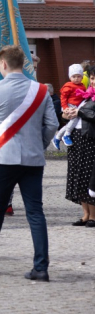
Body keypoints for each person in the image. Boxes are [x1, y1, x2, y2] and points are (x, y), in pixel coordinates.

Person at [0, 45, 58, 282]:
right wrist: (39, 144)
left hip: (3, 158)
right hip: (33, 159)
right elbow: (52, 125)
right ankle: (41, 267)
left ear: (3, 64)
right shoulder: (41, 90)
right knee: (35, 212)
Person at [63, 94, 95, 227]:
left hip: (90, 140)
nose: (93, 81)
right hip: (77, 139)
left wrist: (80, 112)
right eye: (92, 78)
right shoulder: (85, 96)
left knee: (89, 177)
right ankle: (86, 214)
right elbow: (68, 118)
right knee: (79, 176)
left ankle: (93, 215)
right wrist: (66, 114)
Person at [52, 64, 86, 150]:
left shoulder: (82, 86)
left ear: (82, 77)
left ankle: (58, 137)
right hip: (69, 106)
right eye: (74, 76)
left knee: (72, 123)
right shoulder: (68, 86)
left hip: (76, 106)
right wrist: (65, 107)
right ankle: (66, 134)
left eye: (78, 76)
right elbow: (63, 97)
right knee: (74, 119)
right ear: (70, 77)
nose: (76, 78)